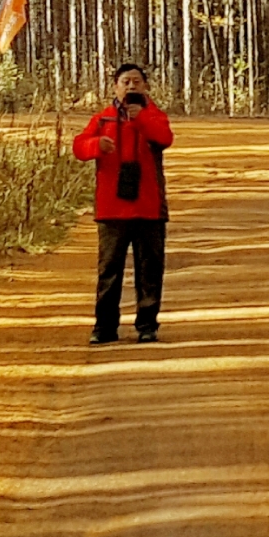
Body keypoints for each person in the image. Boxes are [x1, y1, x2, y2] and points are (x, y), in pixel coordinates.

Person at [72, 63, 173, 343]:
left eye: (137, 82)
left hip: (149, 208)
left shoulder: (154, 116)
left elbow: (164, 138)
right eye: (125, 81)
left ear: (145, 87)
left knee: (149, 270)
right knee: (109, 271)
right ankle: (104, 327)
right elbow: (79, 146)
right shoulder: (102, 119)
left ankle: (147, 325)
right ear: (115, 86)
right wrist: (96, 146)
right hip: (112, 208)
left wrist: (139, 118)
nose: (131, 87)